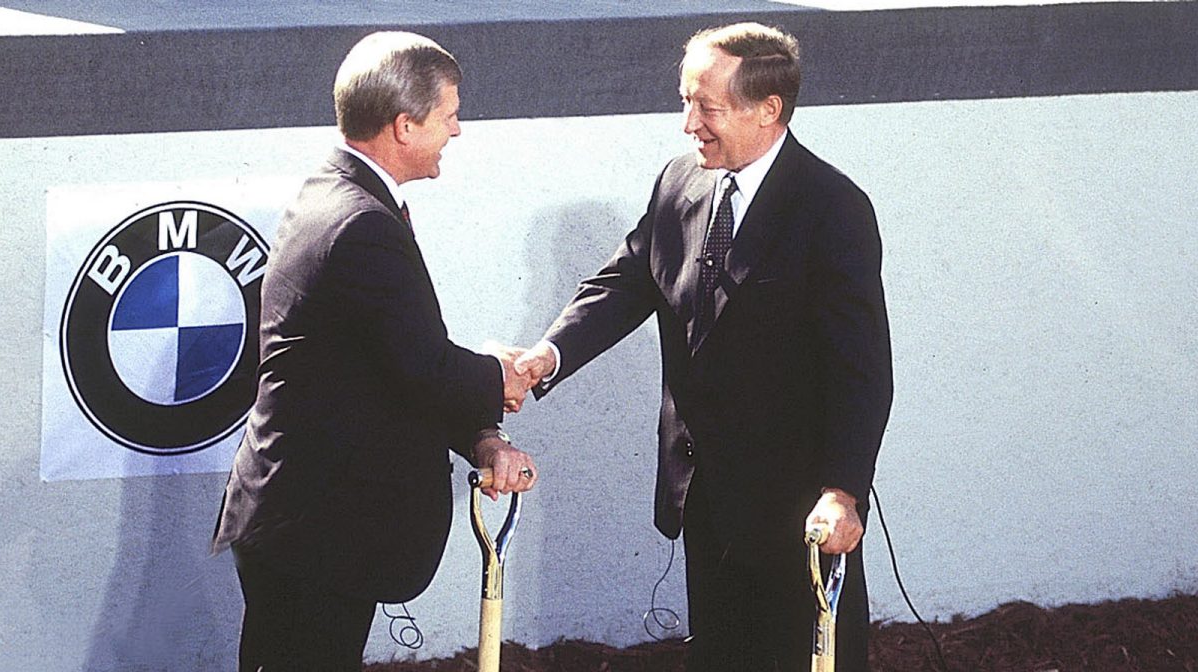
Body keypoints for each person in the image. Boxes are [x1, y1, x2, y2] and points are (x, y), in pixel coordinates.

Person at [514, 22, 893, 671]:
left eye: (707, 107)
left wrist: (844, 490)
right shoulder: (680, 182)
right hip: (705, 500)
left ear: (768, 109)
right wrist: (547, 356)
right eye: (685, 101)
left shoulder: (831, 208)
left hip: (795, 510)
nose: (690, 124)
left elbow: (862, 371)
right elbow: (629, 279)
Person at [211, 31, 540, 672]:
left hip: (312, 526)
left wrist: (483, 440)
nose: (458, 131)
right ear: (404, 125)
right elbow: (422, 364)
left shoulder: (339, 195)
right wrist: (503, 375)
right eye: (450, 115)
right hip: (318, 533)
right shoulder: (360, 223)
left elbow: (390, 365)